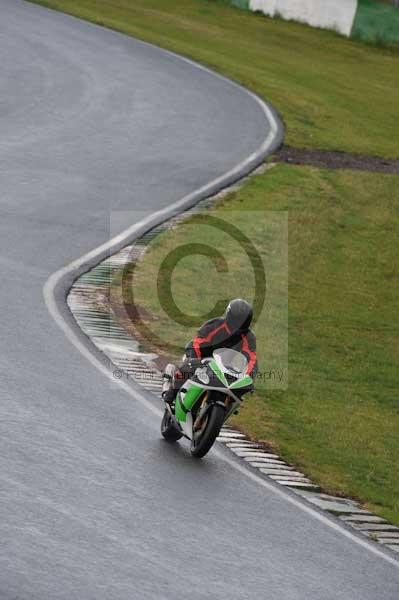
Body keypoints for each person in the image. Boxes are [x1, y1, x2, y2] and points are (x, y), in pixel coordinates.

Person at [162, 298, 257, 406]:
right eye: (236, 320)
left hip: (225, 364)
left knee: (238, 391)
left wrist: (249, 377)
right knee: (187, 369)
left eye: (242, 321)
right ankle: (173, 391)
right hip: (201, 355)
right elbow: (197, 344)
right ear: (229, 316)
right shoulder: (215, 325)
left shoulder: (249, 337)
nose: (238, 324)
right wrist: (194, 359)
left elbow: (251, 358)